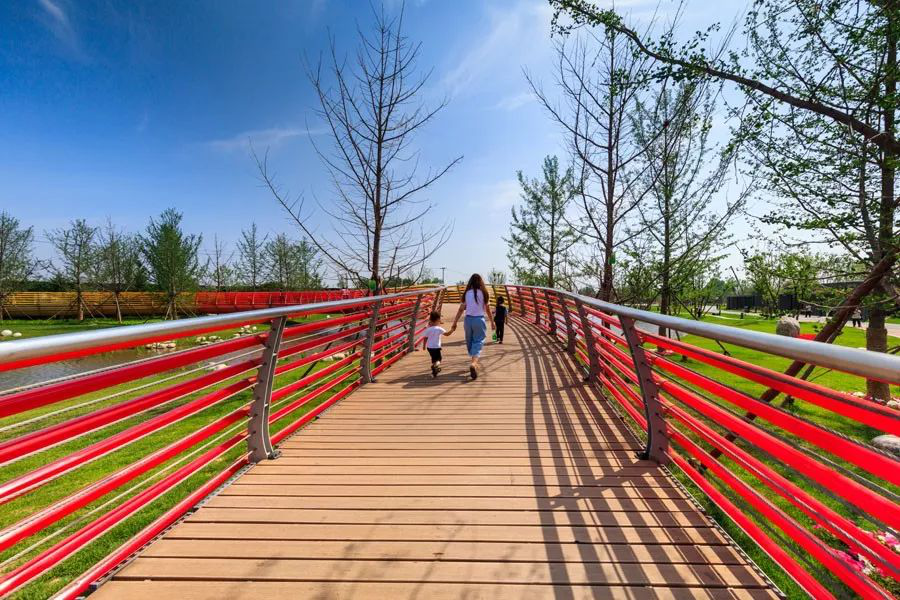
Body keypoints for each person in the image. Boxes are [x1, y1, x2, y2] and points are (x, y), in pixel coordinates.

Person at [450, 273, 495, 380]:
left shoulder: (467, 293)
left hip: (468, 320)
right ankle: (474, 363)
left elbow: (461, 309)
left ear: (470, 282)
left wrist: (455, 322)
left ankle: (473, 362)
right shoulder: (485, 293)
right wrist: (492, 322)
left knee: (470, 342)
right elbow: (488, 310)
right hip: (479, 320)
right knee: (478, 342)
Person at [420, 310, 452, 378]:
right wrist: (452, 330)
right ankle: (436, 365)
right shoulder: (439, 329)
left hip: (429, 347)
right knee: (439, 359)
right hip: (436, 347)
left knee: (433, 358)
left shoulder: (428, 329)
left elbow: (425, 338)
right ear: (438, 320)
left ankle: (434, 369)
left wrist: (424, 346)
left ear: (430, 319)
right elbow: (447, 334)